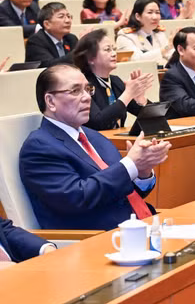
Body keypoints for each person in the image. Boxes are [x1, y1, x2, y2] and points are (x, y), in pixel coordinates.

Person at [19, 64, 170, 230]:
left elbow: (123, 192)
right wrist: (130, 165)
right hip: (97, 238)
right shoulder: (39, 147)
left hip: (140, 225)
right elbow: (78, 198)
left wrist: (142, 172)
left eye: (87, 89)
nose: (87, 97)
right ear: (51, 101)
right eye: (75, 91)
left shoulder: (94, 137)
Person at [73, 29, 153, 130]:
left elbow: (150, 118)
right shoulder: (83, 86)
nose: (114, 53)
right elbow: (98, 122)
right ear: (90, 58)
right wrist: (128, 94)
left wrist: (141, 99)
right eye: (107, 50)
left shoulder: (115, 81)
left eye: (114, 49)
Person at [116, 0, 173, 65]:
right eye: (150, 12)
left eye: (157, 12)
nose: (155, 17)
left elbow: (170, 55)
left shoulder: (159, 33)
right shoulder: (125, 36)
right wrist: (166, 48)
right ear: (138, 16)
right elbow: (136, 60)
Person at [25, 3, 78, 68]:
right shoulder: (35, 41)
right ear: (47, 24)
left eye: (69, 16)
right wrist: (78, 51)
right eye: (61, 17)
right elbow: (49, 66)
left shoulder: (71, 38)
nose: (68, 21)